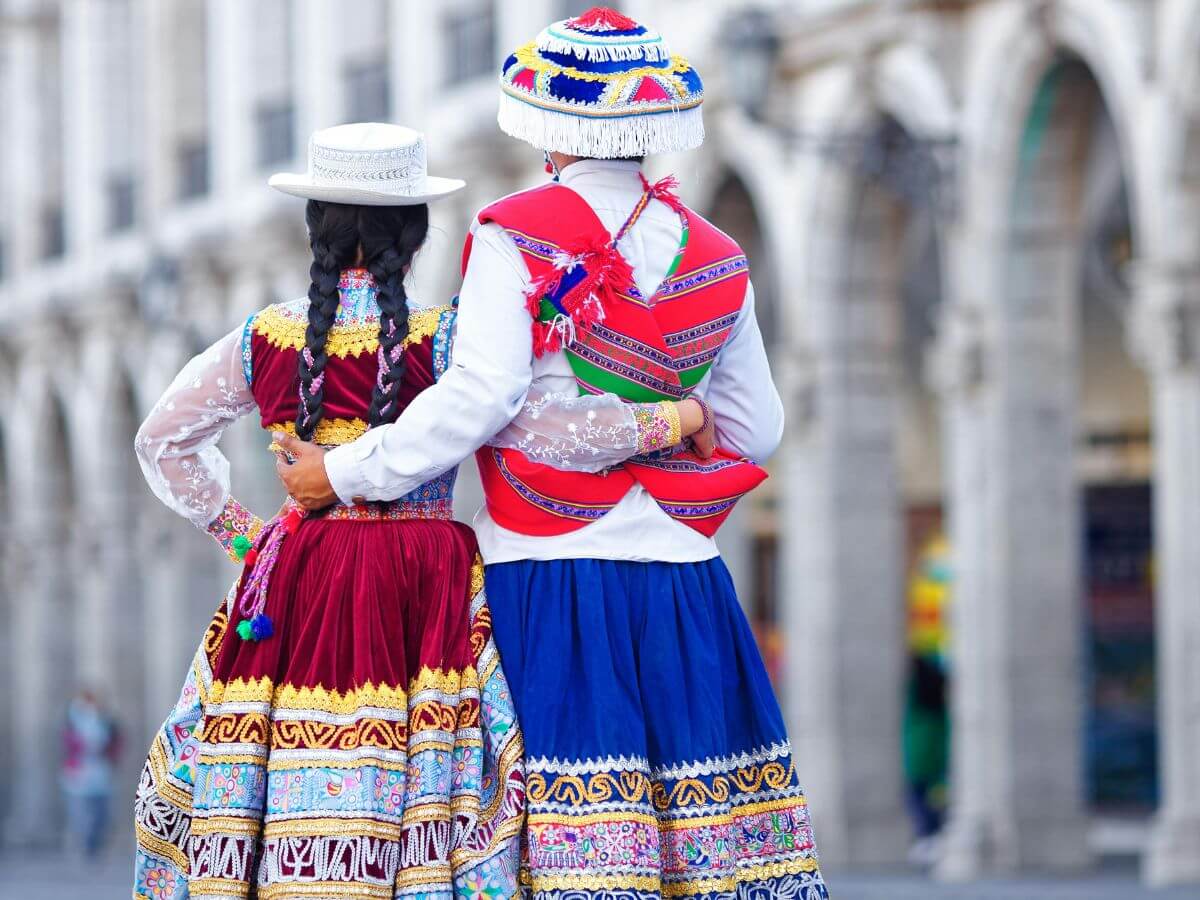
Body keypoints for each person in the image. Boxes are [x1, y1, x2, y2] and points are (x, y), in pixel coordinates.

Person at [277, 9, 829, 900]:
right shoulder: (719, 254)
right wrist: (678, 421)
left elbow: (482, 398)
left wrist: (339, 471)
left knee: (569, 850)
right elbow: (757, 427)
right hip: (684, 578)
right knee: (706, 851)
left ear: (550, 129)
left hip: (549, 574)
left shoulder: (513, 232)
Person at [62, 688, 121, 860]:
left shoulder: (105, 720)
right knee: (82, 814)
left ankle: (95, 846)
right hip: (79, 775)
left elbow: (115, 742)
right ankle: (85, 847)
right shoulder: (72, 722)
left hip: (101, 774)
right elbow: (69, 746)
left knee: (100, 814)